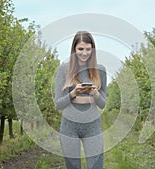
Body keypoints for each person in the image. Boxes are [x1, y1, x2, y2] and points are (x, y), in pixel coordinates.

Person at [54, 31, 107, 169]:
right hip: (69, 125)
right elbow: (58, 104)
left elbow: (102, 104)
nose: (84, 53)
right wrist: (74, 93)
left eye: (88, 49)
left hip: (92, 124)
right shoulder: (64, 70)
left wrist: (94, 93)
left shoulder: (100, 70)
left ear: (93, 50)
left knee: (96, 165)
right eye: (80, 49)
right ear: (74, 49)